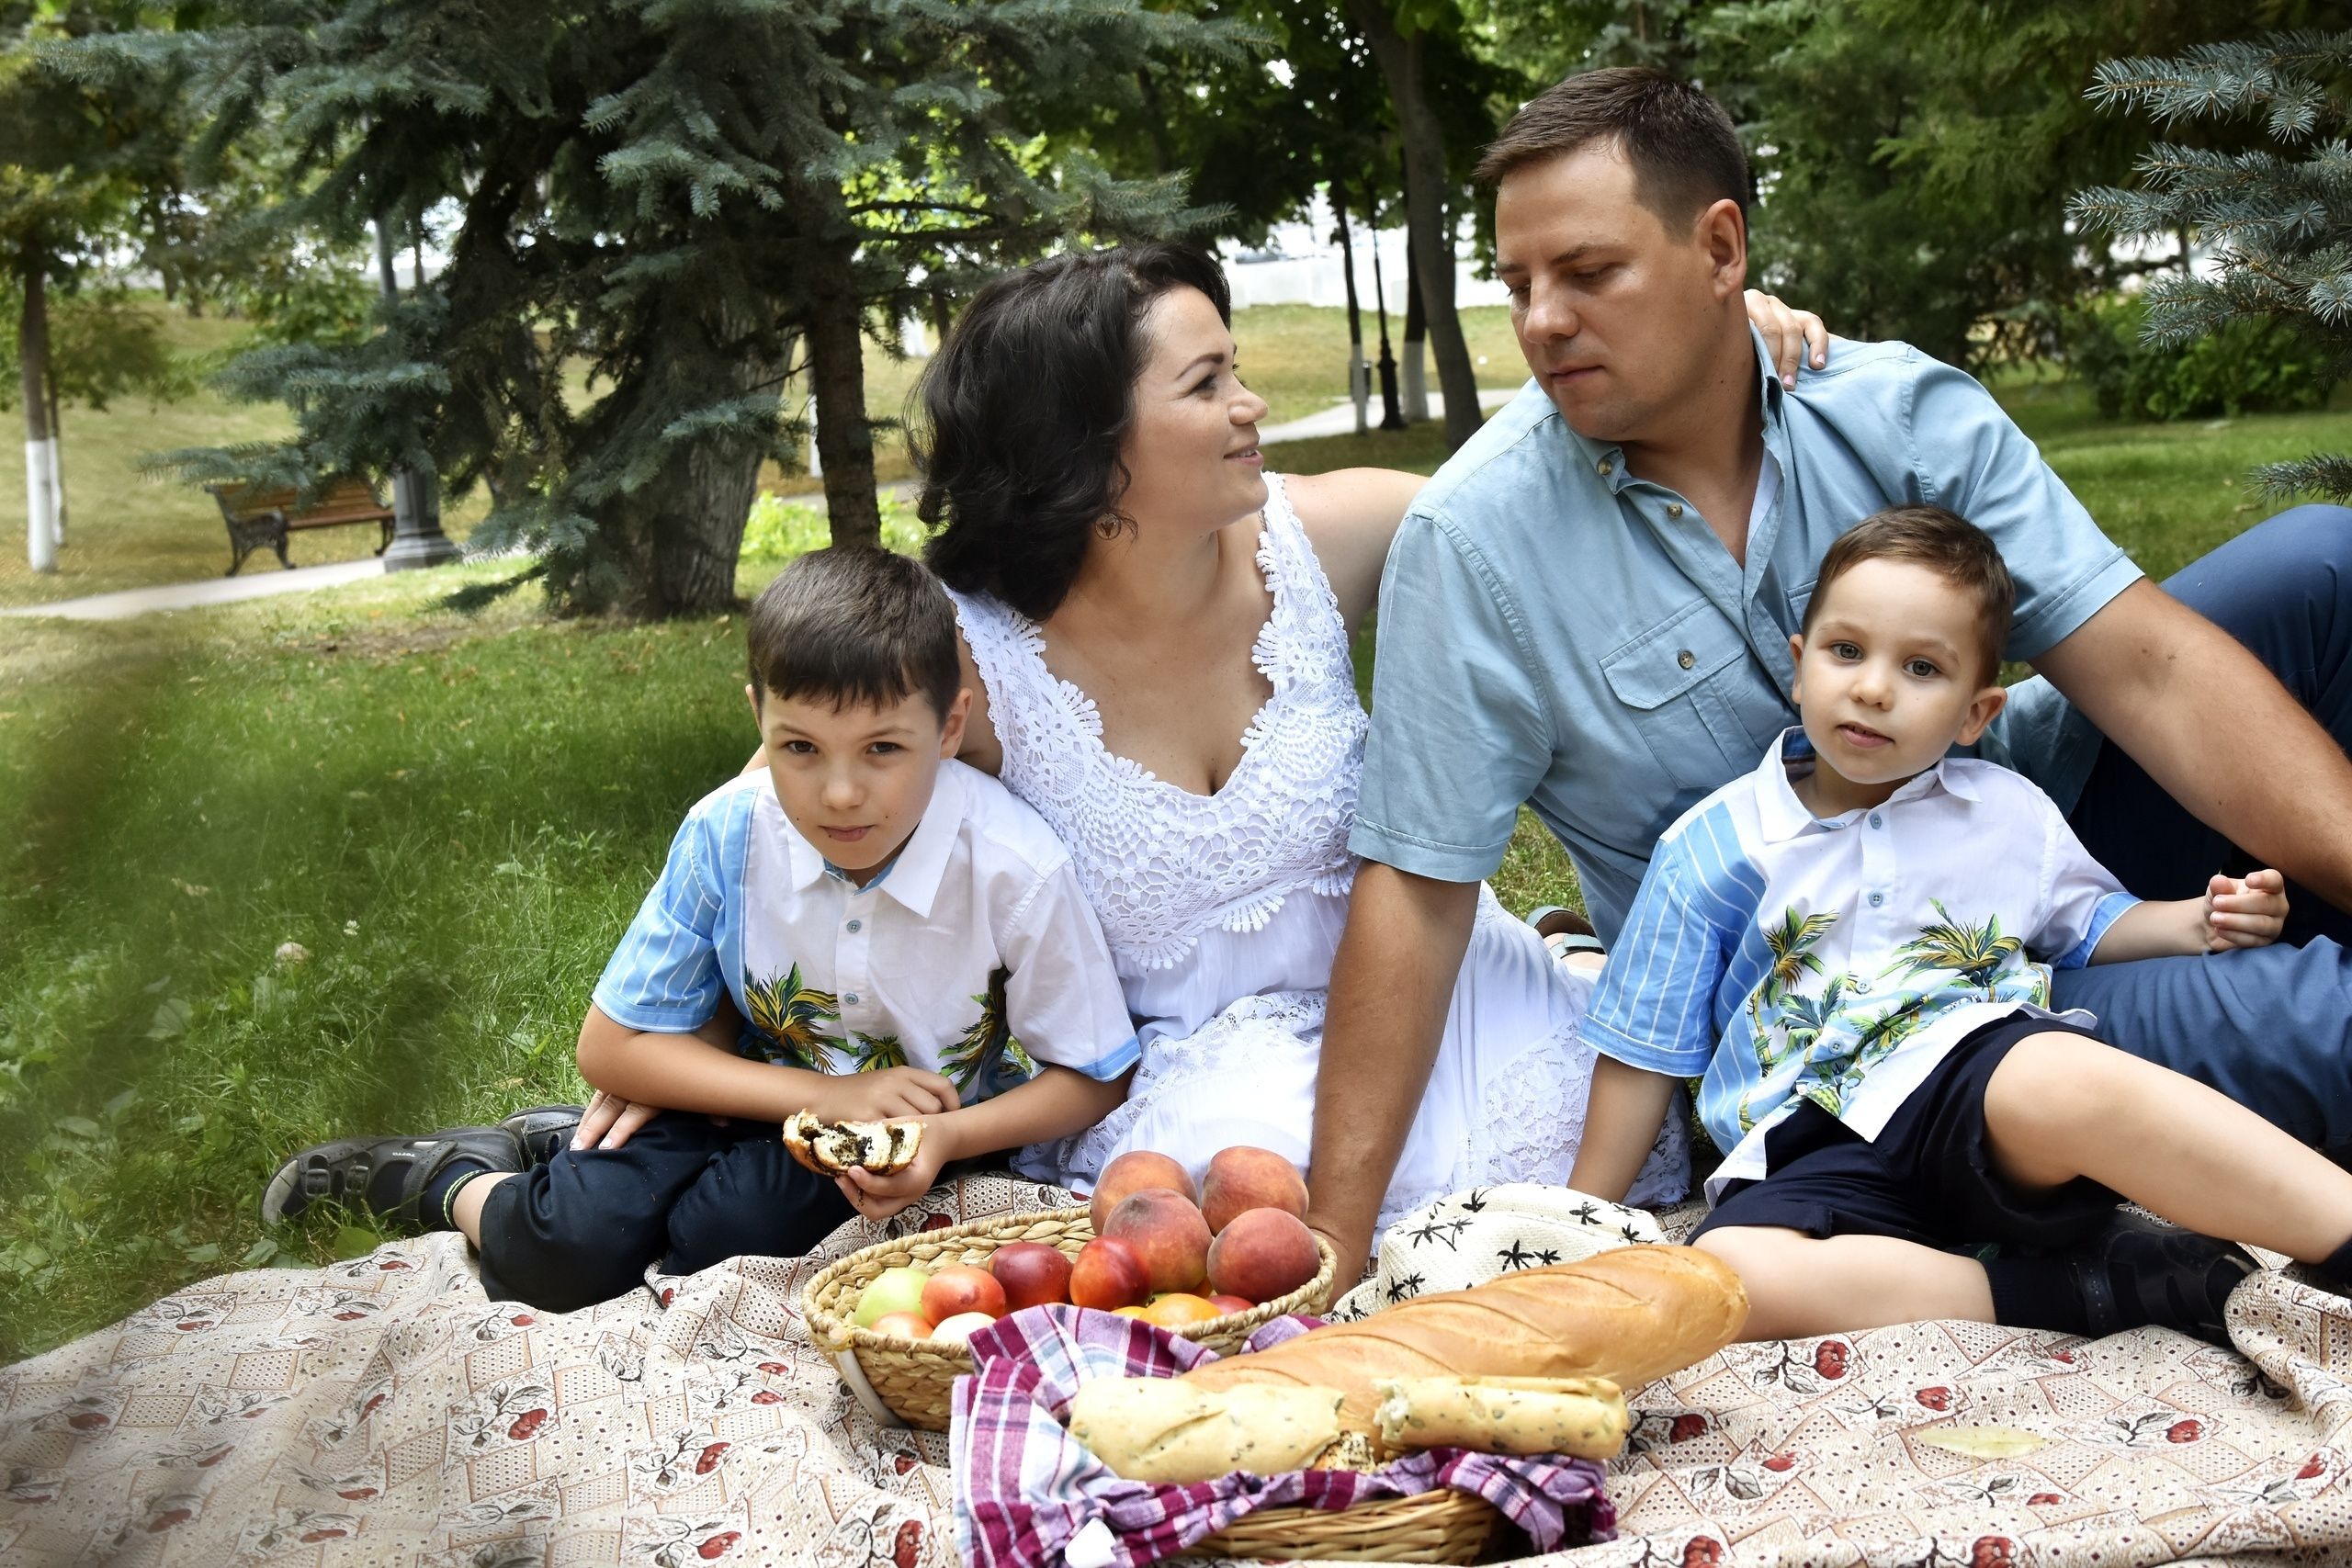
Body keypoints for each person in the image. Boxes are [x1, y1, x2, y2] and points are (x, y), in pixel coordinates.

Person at [1314, 65, 2352, 1284]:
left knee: (2320, 563)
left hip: (2024, 819)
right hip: (1894, 1003)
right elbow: (1417, 892)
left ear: (1720, 251)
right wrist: (1334, 1235)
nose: (1541, 318)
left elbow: (2155, 667)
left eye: (1590, 273)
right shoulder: (1476, 544)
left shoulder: (1893, 410)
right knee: (2320, 1024)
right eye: (1520, 284)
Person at [260, 548, 1137, 1312]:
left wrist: (941, 1137)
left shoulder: (1015, 867)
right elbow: (612, 1047)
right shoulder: (728, 830)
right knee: (563, 1249)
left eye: (882, 749)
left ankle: (558, 1148)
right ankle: (445, 1177)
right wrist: (829, 1098)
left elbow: (1093, 1075)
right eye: (799, 747)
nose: (839, 793)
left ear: (948, 728)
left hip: (893, 1144)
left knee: (724, 1236)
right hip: (735, 1087)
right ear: (756, 713)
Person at [1565, 506, 2352, 1345]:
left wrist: (2196, 921)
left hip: (1968, 1079)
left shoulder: (2004, 813)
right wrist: (1580, 1220)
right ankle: (2085, 1289)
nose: (1873, 686)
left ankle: (2337, 1228)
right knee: (1727, 1270)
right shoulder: (1715, 845)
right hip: (1810, 1134)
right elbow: (1642, 1050)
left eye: (1920, 667)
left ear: (1976, 714)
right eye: (1846, 651)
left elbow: (2089, 923)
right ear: (1799, 668)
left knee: (2058, 1073)